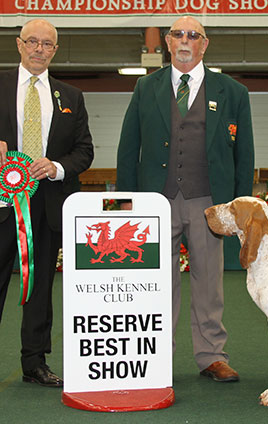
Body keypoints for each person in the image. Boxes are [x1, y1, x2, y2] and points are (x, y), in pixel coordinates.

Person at [116, 16, 254, 382]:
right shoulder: (146, 87)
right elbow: (129, 146)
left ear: (204, 44)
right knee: (157, 281)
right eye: (178, 34)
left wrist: (239, 206)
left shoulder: (232, 92)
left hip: (208, 200)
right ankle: (156, 354)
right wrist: (127, 199)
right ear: (167, 41)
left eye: (193, 35)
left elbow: (245, 154)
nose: (185, 40)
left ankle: (211, 355)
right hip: (156, 200)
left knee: (209, 281)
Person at [0, 19, 94, 387]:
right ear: (19, 45)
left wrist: (56, 167)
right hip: (3, 202)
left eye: (47, 44)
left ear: (55, 50)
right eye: (33, 42)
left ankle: (34, 363)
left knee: (39, 289)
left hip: (49, 204)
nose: (39, 49)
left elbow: (84, 151)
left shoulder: (71, 96)